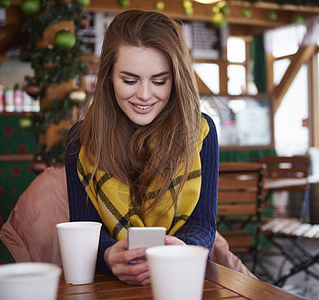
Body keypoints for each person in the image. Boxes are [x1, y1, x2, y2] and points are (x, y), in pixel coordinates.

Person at [65, 9, 219, 285]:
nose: (145, 95)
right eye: (130, 80)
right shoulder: (80, 140)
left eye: (160, 81)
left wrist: (186, 250)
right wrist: (108, 255)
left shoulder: (201, 131)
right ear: (108, 77)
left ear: (176, 79)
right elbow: (84, 228)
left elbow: (203, 224)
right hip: (111, 286)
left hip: (182, 280)